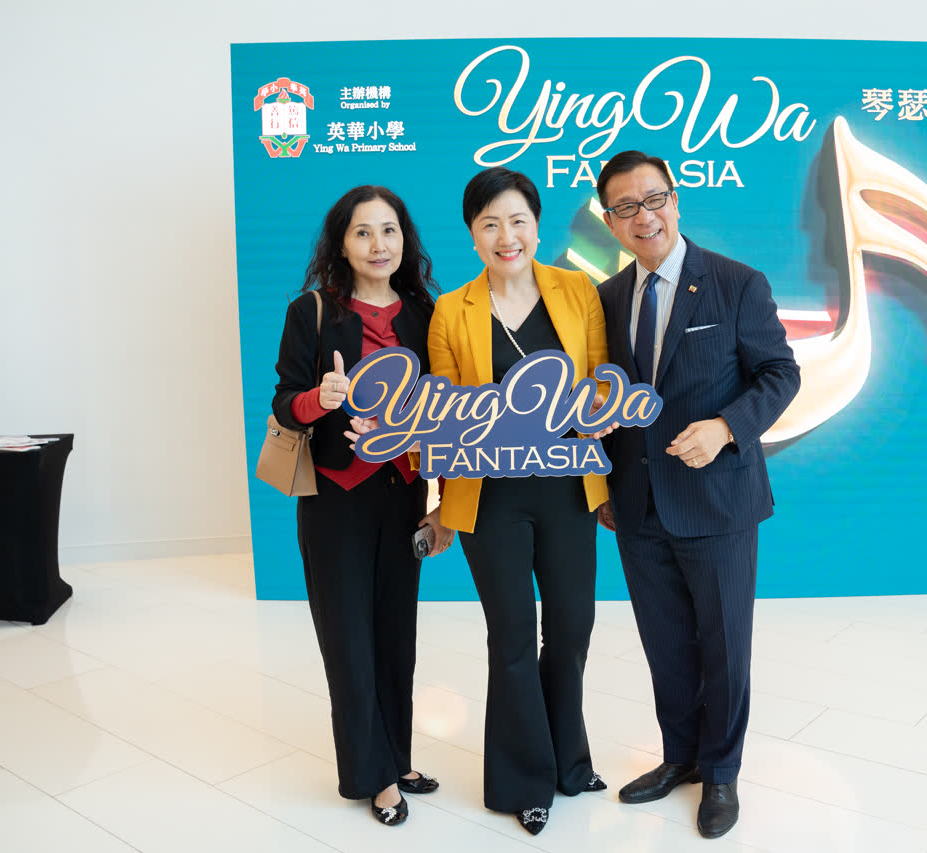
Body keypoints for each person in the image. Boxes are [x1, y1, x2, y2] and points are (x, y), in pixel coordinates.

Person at [593, 151, 800, 839]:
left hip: (718, 500)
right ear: (610, 221)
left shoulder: (736, 283)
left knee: (724, 645)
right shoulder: (606, 299)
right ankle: (679, 756)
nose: (644, 215)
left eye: (654, 199)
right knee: (666, 644)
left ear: (675, 201)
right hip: (637, 504)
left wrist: (726, 427)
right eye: (626, 206)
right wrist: (602, 485)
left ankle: (721, 772)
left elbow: (780, 373)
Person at [427, 166, 609, 836]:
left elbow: (602, 383)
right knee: (510, 637)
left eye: (518, 221)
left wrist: (592, 415)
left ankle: (569, 762)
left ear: (536, 225)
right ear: (473, 235)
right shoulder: (452, 310)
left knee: (572, 627)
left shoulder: (577, 290)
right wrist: (438, 502)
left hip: (568, 490)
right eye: (490, 224)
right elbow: (442, 415)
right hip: (490, 500)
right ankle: (524, 780)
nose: (507, 236)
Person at [271, 185, 454, 827]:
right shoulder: (313, 311)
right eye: (363, 232)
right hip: (335, 500)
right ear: (342, 244)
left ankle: (396, 758)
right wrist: (318, 400)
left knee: (396, 637)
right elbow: (284, 402)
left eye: (390, 230)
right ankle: (372, 777)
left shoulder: (425, 313)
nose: (379, 245)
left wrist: (442, 501)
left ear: (406, 239)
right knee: (349, 640)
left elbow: (444, 413)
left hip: (404, 496)